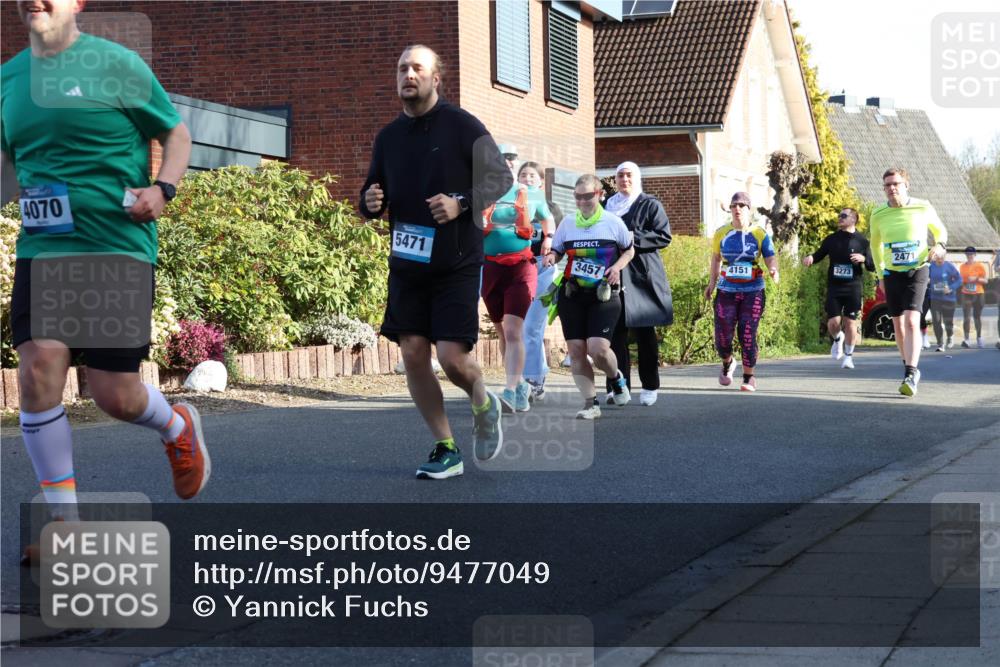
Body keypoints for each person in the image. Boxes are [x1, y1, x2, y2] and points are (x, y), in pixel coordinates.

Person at [3, 0, 200, 561]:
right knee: (40, 366)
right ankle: (64, 524)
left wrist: (163, 189)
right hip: (45, 249)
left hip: (115, 245)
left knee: (114, 393)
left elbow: (176, 133)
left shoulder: (116, 64)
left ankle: (177, 426)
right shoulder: (9, 79)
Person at [360, 45, 512, 479]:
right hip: (408, 262)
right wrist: (369, 201)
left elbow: (499, 178)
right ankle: (446, 447)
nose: (408, 74)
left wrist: (461, 202)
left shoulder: (462, 126)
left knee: (452, 358)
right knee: (411, 351)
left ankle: (484, 401)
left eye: (417, 68)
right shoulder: (388, 137)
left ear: (435, 78)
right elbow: (374, 189)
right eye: (402, 67)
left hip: (456, 260)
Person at [543, 174, 635, 419]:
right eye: (578, 197)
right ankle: (590, 403)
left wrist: (617, 268)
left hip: (603, 294)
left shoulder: (612, 222)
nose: (583, 201)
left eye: (588, 196)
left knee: (598, 349)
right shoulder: (568, 223)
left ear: (600, 195)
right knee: (576, 350)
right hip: (572, 292)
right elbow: (558, 250)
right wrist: (552, 257)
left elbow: (629, 250)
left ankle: (616, 379)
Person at [481, 161, 555, 412]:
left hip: (521, 267)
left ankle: (511, 390)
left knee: (514, 330)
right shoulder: (482, 193)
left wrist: (549, 239)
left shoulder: (530, 192)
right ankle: (520, 384)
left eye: (509, 165)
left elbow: (548, 219)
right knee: (503, 332)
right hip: (490, 268)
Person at [868, 168, 947, 397]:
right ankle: (908, 367)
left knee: (913, 320)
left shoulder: (923, 206)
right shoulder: (878, 214)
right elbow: (875, 246)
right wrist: (881, 275)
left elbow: (940, 230)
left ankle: (911, 373)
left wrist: (940, 245)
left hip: (918, 269)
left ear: (906, 185)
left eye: (896, 184)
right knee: (898, 325)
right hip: (892, 273)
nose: (892, 188)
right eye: (887, 185)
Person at [602, 162, 672, 406]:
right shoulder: (607, 206)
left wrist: (632, 238)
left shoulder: (650, 204)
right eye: (620, 175)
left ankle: (650, 385)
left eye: (629, 175)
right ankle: (618, 386)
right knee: (614, 334)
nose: (624, 179)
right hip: (613, 273)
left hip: (642, 275)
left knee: (645, 333)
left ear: (637, 177)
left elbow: (663, 235)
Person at [704, 192, 779, 392]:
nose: (737, 209)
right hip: (726, 290)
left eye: (742, 206)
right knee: (722, 335)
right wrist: (711, 283)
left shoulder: (760, 233)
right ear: (730, 209)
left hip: (753, 290)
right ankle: (728, 362)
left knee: (747, 332)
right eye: (734, 205)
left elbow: (770, 256)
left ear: (749, 209)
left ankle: (749, 377)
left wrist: (773, 270)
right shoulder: (721, 233)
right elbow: (716, 259)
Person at [801, 207, 874, 369]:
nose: (839, 218)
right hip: (835, 287)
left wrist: (864, 259)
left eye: (843, 216)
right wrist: (811, 257)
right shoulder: (831, 239)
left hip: (853, 287)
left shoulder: (863, 241)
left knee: (850, 322)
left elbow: (872, 266)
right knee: (833, 323)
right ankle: (837, 338)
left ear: (854, 219)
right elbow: (819, 254)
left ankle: (848, 356)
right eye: (839, 215)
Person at [522, 169, 563, 403]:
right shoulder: (510, 207)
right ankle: (533, 375)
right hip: (518, 268)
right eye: (523, 175)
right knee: (519, 328)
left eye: (532, 176)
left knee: (532, 327)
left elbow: (563, 241)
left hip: (544, 269)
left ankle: (534, 380)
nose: (527, 179)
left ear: (541, 182)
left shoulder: (552, 208)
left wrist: (552, 251)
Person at [928, 253, 962, 351]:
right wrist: (927, 280)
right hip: (935, 298)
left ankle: (950, 336)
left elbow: (959, 280)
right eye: (938, 257)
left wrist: (950, 288)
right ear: (935, 257)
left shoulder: (949, 266)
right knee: (936, 321)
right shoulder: (931, 266)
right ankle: (940, 344)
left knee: (948, 321)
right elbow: (925, 277)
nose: (940, 259)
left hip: (949, 299)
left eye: (942, 257)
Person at [958, 246, 987, 349]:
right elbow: (961, 280)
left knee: (977, 317)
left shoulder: (980, 266)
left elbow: (985, 281)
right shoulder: (962, 267)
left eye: (971, 254)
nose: (969, 256)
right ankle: (966, 340)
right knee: (966, 317)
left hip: (978, 293)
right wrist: (963, 281)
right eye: (968, 254)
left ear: (975, 255)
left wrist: (976, 278)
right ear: (966, 255)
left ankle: (979, 338)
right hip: (966, 293)